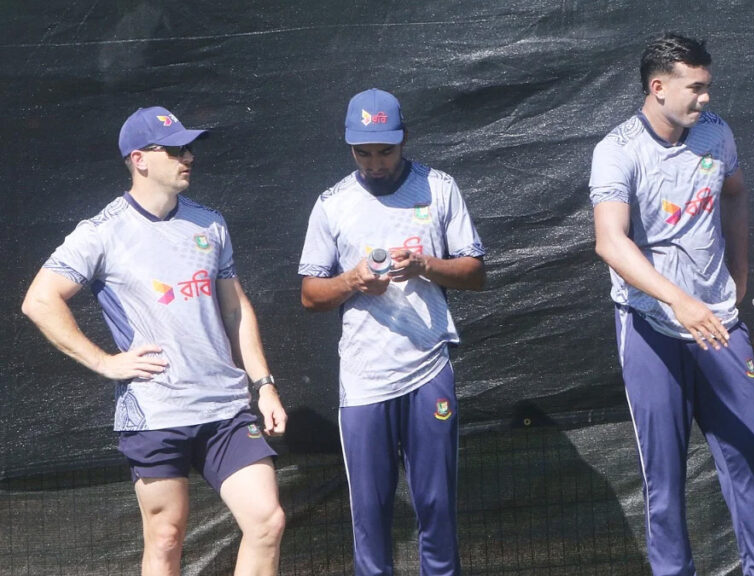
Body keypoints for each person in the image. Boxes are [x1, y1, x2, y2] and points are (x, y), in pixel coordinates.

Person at [21, 106, 288, 576]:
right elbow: (40, 300)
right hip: (156, 412)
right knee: (165, 538)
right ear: (139, 159)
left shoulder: (210, 224)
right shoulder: (101, 232)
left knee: (267, 522)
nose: (189, 157)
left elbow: (236, 309)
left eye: (189, 148)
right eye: (175, 149)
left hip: (225, 409)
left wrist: (263, 384)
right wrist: (105, 362)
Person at [589, 33, 754, 576]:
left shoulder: (716, 132)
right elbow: (610, 241)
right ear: (658, 87)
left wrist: (740, 272)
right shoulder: (617, 149)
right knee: (664, 480)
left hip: (720, 324)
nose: (705, 98)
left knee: (752, 461)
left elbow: (735, 192)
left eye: (707, 86)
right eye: (694, 88)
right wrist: (678, 301)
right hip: (650, 327)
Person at [298, 88, 485, 576]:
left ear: (405, 139)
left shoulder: (439, 187)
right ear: (349, 146)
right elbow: (310, 295)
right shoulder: (332, 203)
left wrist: (424, 265)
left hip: (428, 368)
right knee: (371, 512)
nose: (376, 163)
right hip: (365, 378)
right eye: (363, 152)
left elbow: (475, 272)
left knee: (437, 505)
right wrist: (353, 281)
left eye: (386, 150)